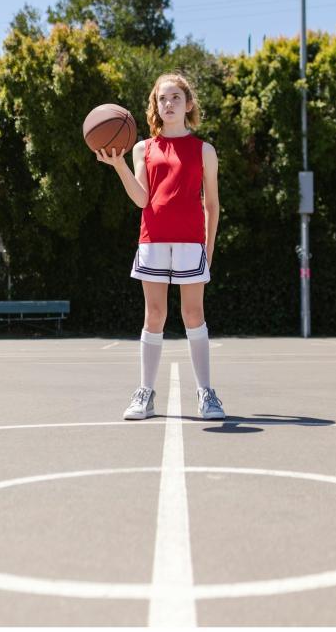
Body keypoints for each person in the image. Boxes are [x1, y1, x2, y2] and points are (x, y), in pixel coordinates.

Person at [94, 72, 225, 421]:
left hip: (191, 243)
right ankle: (145, 394)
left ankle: (206, 394)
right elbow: (142, 199)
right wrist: (119, 165)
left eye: (175, 98)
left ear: (188, 104)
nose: (168, 104)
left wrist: (208, 250)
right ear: (156, 105)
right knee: (154, 316)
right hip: (153, 240)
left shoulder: (204, 151)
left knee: (193, 315)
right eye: (162, 99)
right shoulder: (143, 148)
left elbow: (212, 205)